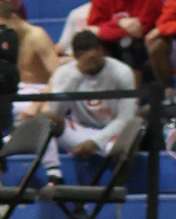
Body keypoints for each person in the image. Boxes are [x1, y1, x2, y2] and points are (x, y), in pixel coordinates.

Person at [37, 32, 137, 174]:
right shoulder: (65, 73)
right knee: (47, 120)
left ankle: (118, 188)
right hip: (81, 132)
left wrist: (96, 142)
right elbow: (56, 111)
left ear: (101, 51)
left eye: (94, 56)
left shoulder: (121, 72)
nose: (91, 62)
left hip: (113, 132)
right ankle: (54, 173)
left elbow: (126, 117)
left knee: (129, 142)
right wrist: (78, 74)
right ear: (77, 57)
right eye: (85, 58)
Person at [0, 0, 60, 91]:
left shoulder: (37, 36)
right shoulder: (4, 40)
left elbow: (57, 75)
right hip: (16, 91)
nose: (2, 32)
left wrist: (38, 103)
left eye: (4, 27)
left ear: (14, 17)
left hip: (40, 90)